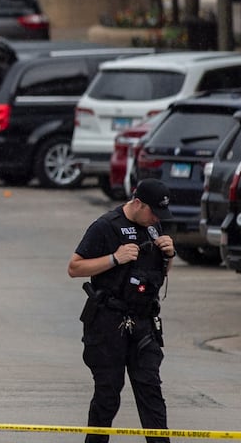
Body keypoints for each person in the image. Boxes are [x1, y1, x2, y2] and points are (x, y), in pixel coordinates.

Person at [67, 179, 177, 443]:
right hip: (108, 323)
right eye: (153, 212)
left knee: (151, 391)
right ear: (137, 203)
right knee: (108, 394)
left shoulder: (153, 227)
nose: (155, 219)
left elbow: (160, 272)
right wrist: (114, 258)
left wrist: (169, 255)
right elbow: (74, 267)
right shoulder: (105, 226)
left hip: (144, 321)